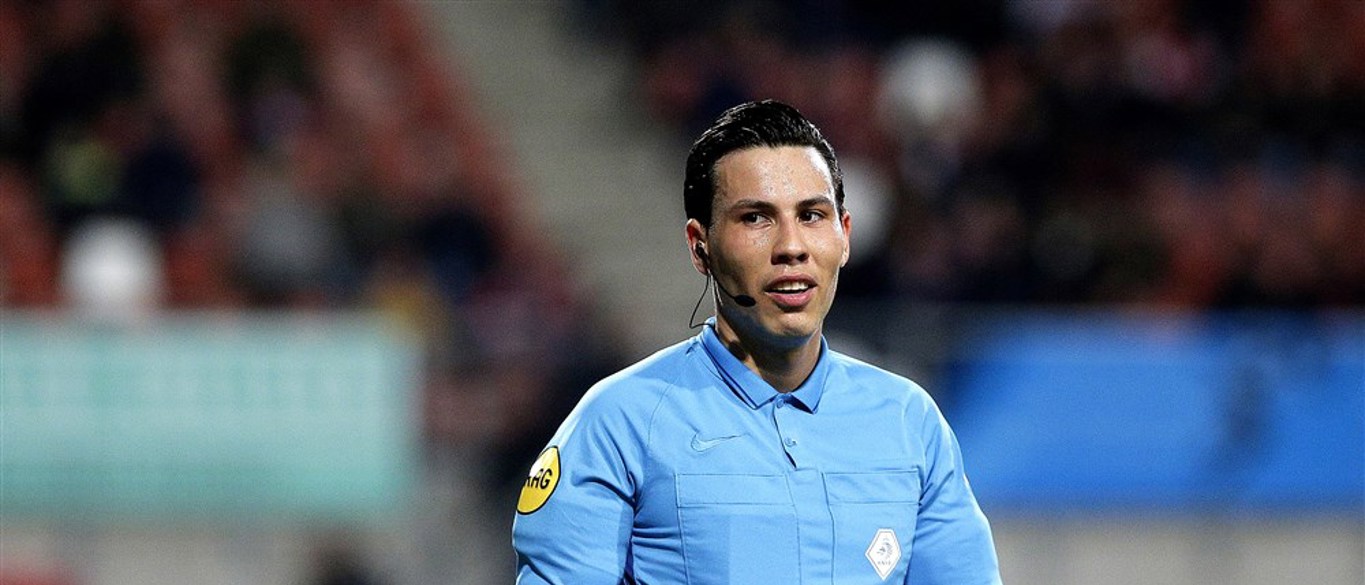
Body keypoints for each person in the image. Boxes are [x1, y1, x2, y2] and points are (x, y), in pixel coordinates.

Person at [512, 100, 1001, 584]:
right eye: (755, 218)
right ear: (700, 247)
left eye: (812, 215)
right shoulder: (619, 422)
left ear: (845, 235)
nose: (791, 247)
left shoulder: (909, 422)